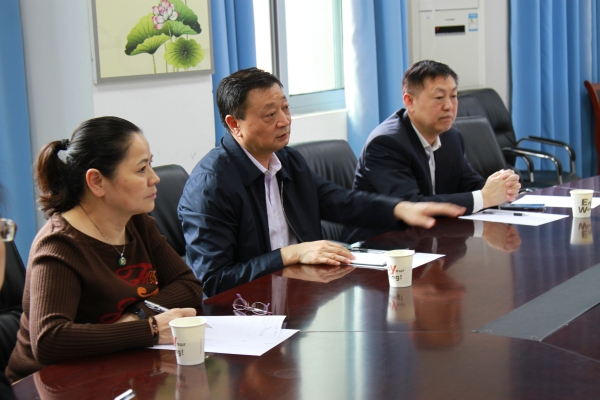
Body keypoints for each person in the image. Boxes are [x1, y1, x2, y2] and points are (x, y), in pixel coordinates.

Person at [178, 67, 465, 297]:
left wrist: (400, 208)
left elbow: (339, 201)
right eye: (270, 114)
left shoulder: (287, 160)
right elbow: (214, 281)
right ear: (234, 124)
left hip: (301, 295)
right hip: (247, 312)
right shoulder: (211, 185)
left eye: (286, 108)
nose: (284, 121)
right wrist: (289, 254)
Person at [6, 117, 204, 382]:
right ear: (97, 181)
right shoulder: (58, 245)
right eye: (141, 169)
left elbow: (188, 286)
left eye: (151, 164)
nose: (154, 178)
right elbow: (50, 339)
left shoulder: (137, 223)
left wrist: (137, 316)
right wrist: (149, 329)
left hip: (113, 366)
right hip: (48, 383)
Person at [353, 60, 521, 215]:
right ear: (409, 101)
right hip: (382, 236)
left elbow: (468, 183)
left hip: (435, 232)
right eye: (439, 98)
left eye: (453, 96)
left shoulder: (451, 136)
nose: (448, 106)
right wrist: (484, 197)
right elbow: (410, 206)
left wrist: (502, 187)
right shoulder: (386, 144)